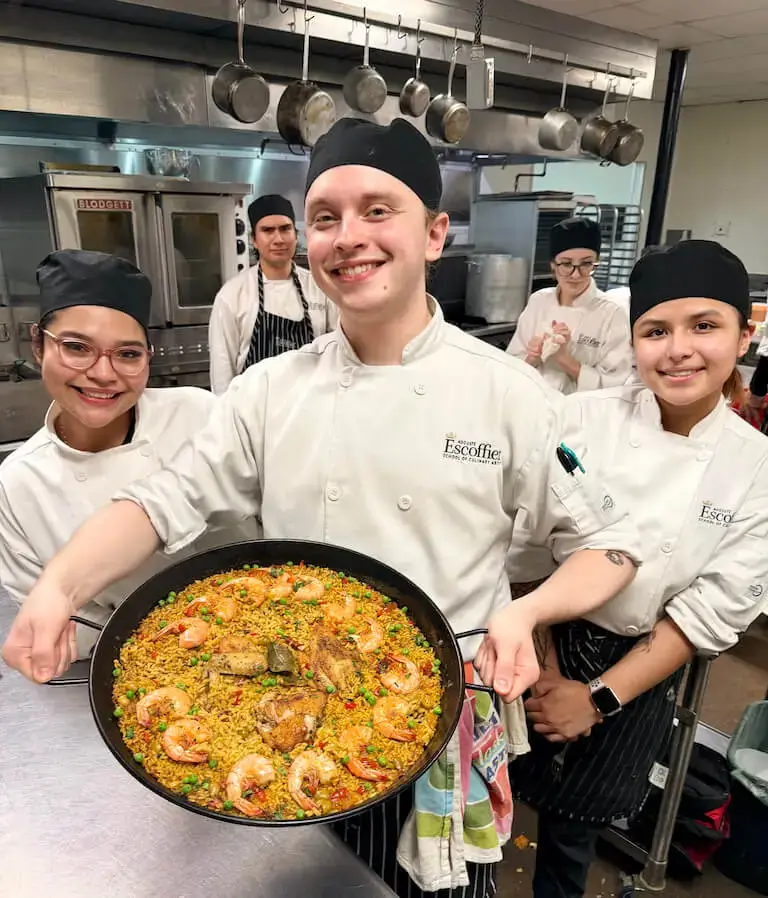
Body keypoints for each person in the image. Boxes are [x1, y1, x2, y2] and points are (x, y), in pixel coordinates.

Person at [2, 120, 644, 898]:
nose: (350, 237)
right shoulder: (268, 392)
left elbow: (611, 544)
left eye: (379, 211)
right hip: (277, 710)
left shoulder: (511, 394)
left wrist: (529, 610)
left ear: (435, 233)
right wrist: (59, 586)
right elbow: (159, 502)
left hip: (428, 720)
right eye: (327, 217)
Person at [503, 240, 768, 898]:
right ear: (635, 341)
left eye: (704, 325)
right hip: (539, 641)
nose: (677, 349)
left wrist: (593, 699)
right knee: (489, 796)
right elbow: (525, 543)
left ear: (746, 334)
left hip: (641, 665)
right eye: (656, 330)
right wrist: (551, 667)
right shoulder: (581, 420)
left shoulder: (755, 469)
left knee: (571, 836)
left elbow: (705, 613)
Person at [0, 249, 258, 657]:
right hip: (137, 661)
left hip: (267, 629)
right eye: (77, 347)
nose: (104, 373)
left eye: (127, 354)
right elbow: (61, 628)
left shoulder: (200, 412)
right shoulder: (16, 485)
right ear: (37, 344)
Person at [208, 193, 336, 394]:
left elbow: (336, 351)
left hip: (310, 406)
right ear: (254, 240)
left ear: (296, 234)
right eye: (268, 231)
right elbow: (222, 372)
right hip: (254, 414)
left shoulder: (320, 286)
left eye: (285, 229)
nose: (278, 239)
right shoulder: (233, 295)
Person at [506, 217, 632, 393]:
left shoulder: (612, 312)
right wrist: (531, 358)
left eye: (586, 264)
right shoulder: (539, 301)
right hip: (534, 404)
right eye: (566, 264)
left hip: (582, 413)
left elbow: (616, 385)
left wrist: (564, 358)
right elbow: (509, 367)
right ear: (553, 265)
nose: (575, 275)